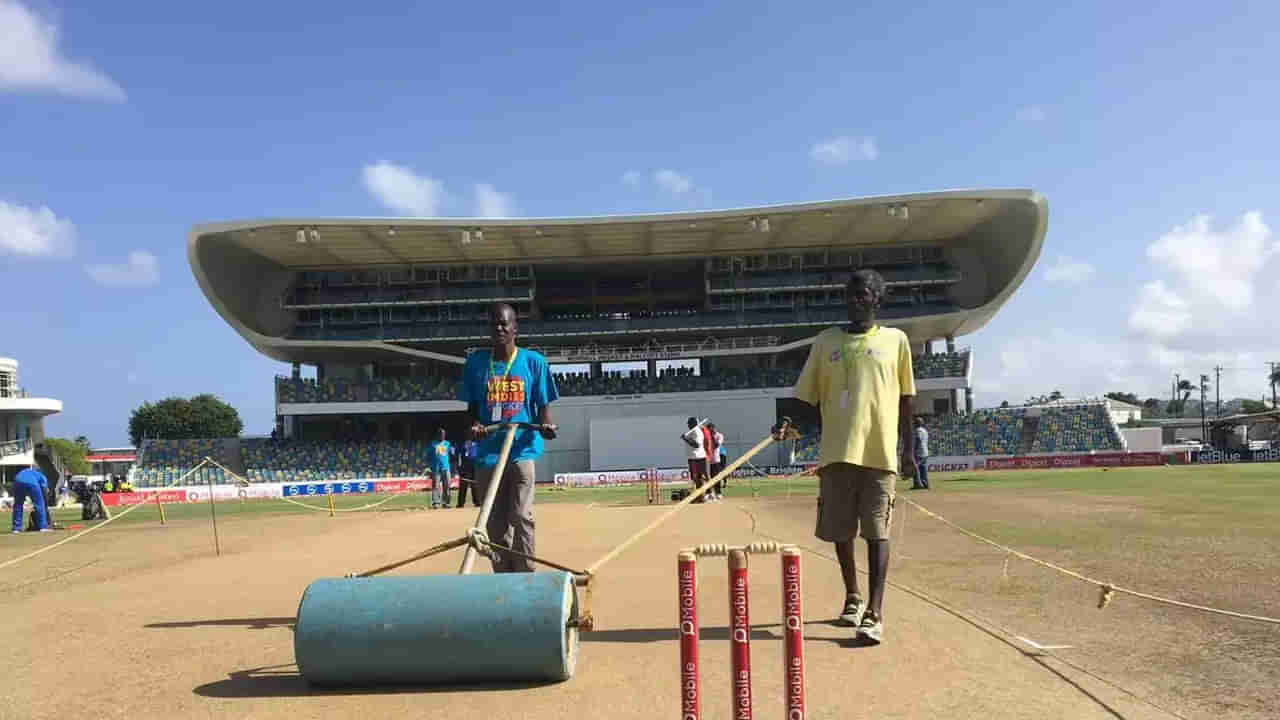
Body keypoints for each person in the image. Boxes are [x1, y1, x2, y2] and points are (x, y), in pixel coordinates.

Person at [792, 269, 916, 645]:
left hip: (879, 453)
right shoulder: (825, 341)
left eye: (863, 294)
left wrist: (909, 450)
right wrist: (786, 422)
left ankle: (874, 613)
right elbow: (805, 396)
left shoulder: (896, 341)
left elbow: (907, 398)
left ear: (877, 299)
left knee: (877, 532)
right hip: (836, 452)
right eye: (850, 294)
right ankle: (852, 596)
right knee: (840, 532)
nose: (855, 300)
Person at [459, 303, 559, 573]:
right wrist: (476, 425)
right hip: (488, 455)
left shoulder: (534, 362)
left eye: (505, 323)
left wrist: (546, 426)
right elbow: (469, 413)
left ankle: (526, 576)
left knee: (522, 516)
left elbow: (544, 408)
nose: (499, 328)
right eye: (494, 324)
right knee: (495, 524)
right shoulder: (476, 364)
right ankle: (505, 578)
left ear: (515, 327)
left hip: (521, 450)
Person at [11, 464, 52, 534]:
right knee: (39, 504)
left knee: (18, 505)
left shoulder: (29, 472)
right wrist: (45, 502)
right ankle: (43, 527)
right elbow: (44, 490)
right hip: (31, 483)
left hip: (17, 481)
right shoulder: (42, 476)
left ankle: (16, 528)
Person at [680, 417, 712, 502]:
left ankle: (710, 494)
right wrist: (686, 438)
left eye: (689, 423)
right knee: (695, 478)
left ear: (693, 423)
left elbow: (696, 445)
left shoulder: (697, 432)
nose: (687, 425)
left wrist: (685, 439)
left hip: (699, 457)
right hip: (692, 457)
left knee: (705, 476)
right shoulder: (692, 431)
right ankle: (700, 496)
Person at [429, 428, 453, 508]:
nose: (443, 436)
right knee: (436, 486)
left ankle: (446, 503)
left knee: (447, 485)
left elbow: (451, 454)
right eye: (441, 434)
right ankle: (436, 502)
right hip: (436, 468)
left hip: (446, 468)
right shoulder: (432, 444)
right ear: (438, 435)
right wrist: (430, 467)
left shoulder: (448, 444)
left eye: (444, 434)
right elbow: (428, 456)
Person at [456, 437, 479, 508]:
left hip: (475, 466)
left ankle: (477, 501)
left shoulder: (477, 443)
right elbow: (458, 455)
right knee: (463, 485)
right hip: (465, 466)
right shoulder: (462, 444)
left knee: (475, 485)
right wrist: (459, 466)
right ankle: (461, 503)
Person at [912, 417, 930, 490]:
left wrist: (914, 450)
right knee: (923, 469)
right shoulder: (925, 430)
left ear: (916, 423)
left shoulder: (918, 430)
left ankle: (917, 484)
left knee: (915, 468)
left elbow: (918, 439)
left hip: (919, 452)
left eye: (915, 423)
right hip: (925, 452)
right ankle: (925, 484)